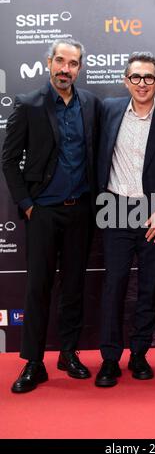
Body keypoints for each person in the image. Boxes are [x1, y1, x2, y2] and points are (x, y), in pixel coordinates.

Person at [2, 39, 102, 393]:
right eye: (60, 61)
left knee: (74, 287)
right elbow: (9, 160)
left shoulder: (91, 104)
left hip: (81, 212)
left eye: (73, 63)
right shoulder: (29, 104)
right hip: (42, 211)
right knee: (37, 288)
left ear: (79, 67)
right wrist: (28, 204)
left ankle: (69, 354)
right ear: (49, 63)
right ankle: (33, 362)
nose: (66, 69)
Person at [95, 52, 155, 387]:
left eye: (148, 78)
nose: (142, 83)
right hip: (114, 208)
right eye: (135, 77)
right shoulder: (109, 111)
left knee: (149, 287)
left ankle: (140, 354)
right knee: (113, 286)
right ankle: (110, 359)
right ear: (125, 80)